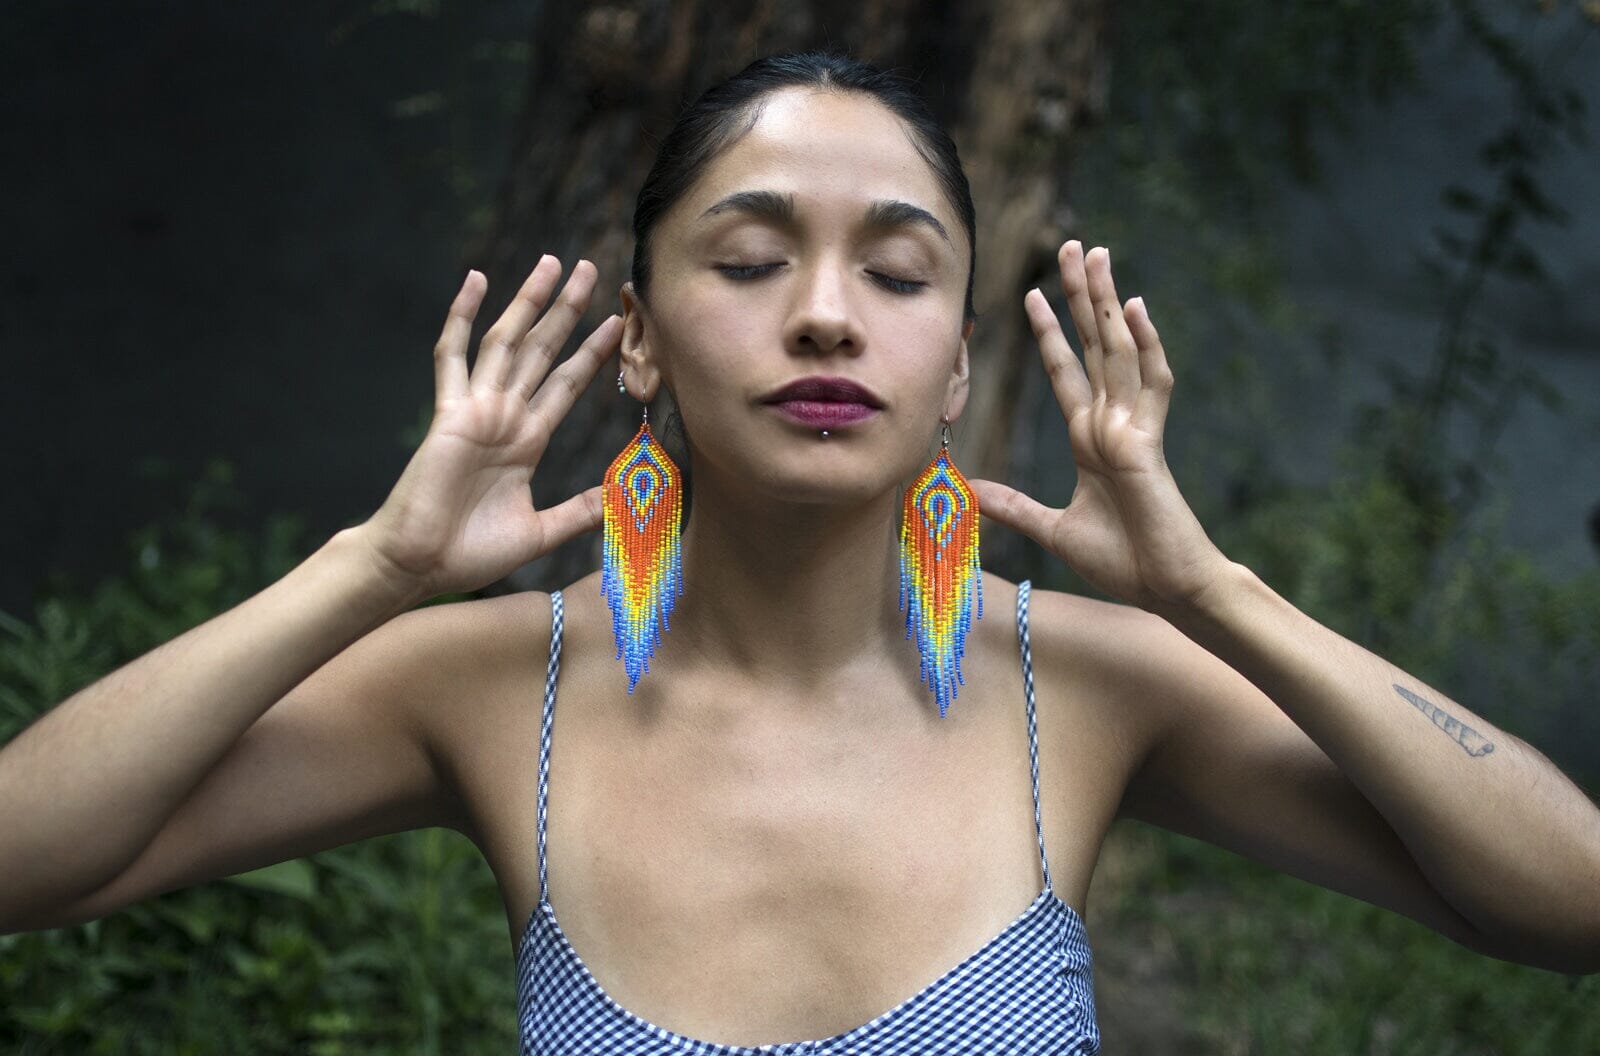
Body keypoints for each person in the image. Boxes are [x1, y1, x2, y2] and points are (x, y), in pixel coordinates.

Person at [2, 48, 1598, 1056]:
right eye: (753, 258)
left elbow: (1567, 903)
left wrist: (1215, 598)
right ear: (638, 341)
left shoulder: (1089, 684)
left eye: (900, 276)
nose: (825, 311)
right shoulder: (499, 685)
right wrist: (372, 566)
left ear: (958, 373)